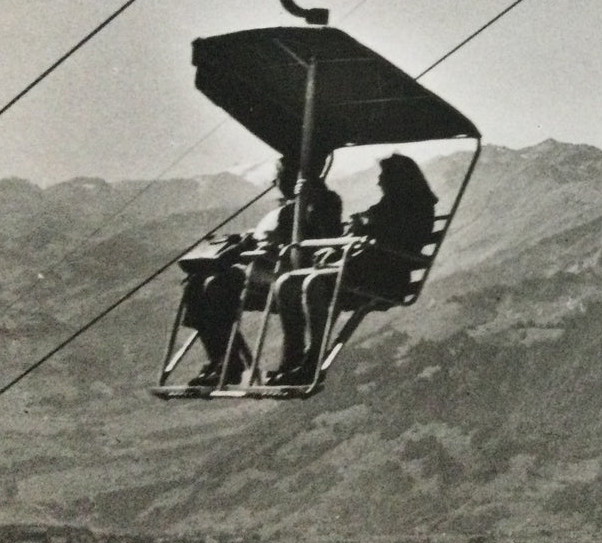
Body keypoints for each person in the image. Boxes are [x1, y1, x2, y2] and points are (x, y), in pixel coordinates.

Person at [270, 153, 437, 386]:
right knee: (287, 283)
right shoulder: (395, 204)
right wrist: (351, 240)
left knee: (312, 284)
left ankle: (312, 358)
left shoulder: (414, 208)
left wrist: (361, 232)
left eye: (383, 176)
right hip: (365, 271)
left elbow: (390, 240)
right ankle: (291, 359)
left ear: (398, 179)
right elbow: (371, 232)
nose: (379, 182)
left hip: (385, 279)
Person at [179, 156, 342, 387]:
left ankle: (290, 360)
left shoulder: (322, 202)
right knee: (199, 284)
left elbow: (328, 235)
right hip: (261, 269)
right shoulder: (284, 208)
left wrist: (308, 200)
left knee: (225, 286)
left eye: (281, 175)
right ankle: (224, 360)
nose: (275, 181)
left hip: (287, 271)